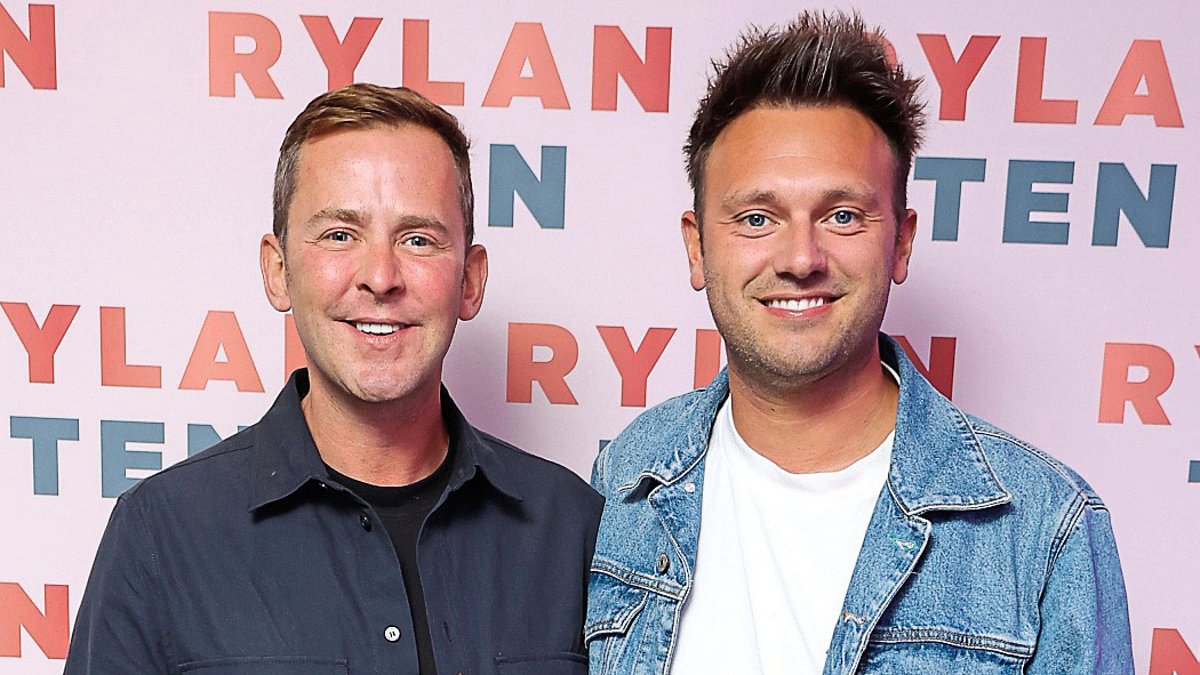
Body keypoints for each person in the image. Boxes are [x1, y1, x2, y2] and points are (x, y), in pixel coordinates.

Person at [586, 12, 1133, 674]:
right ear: (697, 248)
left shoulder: (1047, 528)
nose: (800, 258)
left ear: (900, 242)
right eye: (757, 218)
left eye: (842, 216)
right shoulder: (628, 477)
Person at [65, 83, 602, 674]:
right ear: (278, 271)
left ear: (469, 281)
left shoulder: (575, 529)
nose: (381, 276)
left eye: (418, 239)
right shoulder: (161, 533)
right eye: (340, 235)